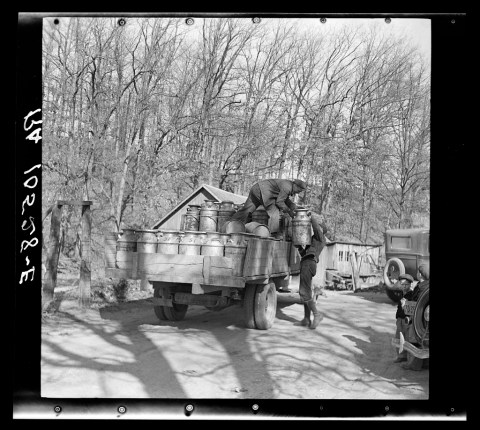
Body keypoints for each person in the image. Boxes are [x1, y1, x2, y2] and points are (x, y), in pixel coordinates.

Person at [229, 179, 307, 233]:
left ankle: (229, 224)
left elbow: (284, 198)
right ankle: (273, 234)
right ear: (296, 186)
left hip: (257, 188)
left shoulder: (288, 185)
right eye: (299, 190)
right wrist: (288, 210)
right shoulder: (287, 187)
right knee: (274, 211)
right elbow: (279, 202)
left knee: (246, 210)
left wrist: (292, 205)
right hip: (264, 191)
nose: (298, 192)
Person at [296, 213, 328, 329]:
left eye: (319, 228)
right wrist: (299, 247)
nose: (316, 229)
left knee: (303, 292)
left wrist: (311, 217)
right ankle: (306, 319)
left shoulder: (320, 238)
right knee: (306, 293)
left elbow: (315, 227)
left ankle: (317, 315)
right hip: (306, 263)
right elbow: (304, 253)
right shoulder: (314, 240)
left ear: (321, 230)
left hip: (309, 264)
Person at [401, 263, 430, 371]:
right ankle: (425, 363)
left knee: (414, 339)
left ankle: (414, 365)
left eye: (418, 271)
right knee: (425, 340)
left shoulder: (423, 287)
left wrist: (406, 304)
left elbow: (418, 304)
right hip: (424, 320)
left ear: (420, 274)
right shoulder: (424, 285)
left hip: (419, 319)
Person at [393, 273, 415, 363]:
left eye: (406, 284)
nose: (404, 286)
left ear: (410, 284)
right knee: (398, 338)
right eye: (402, 284)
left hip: (407, 320)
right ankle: (401, 356)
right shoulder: (402, 293)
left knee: (407, 339)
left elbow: (412, 308)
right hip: (400, 320)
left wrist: (405, 304)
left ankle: (408, 358)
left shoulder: (412, 295)